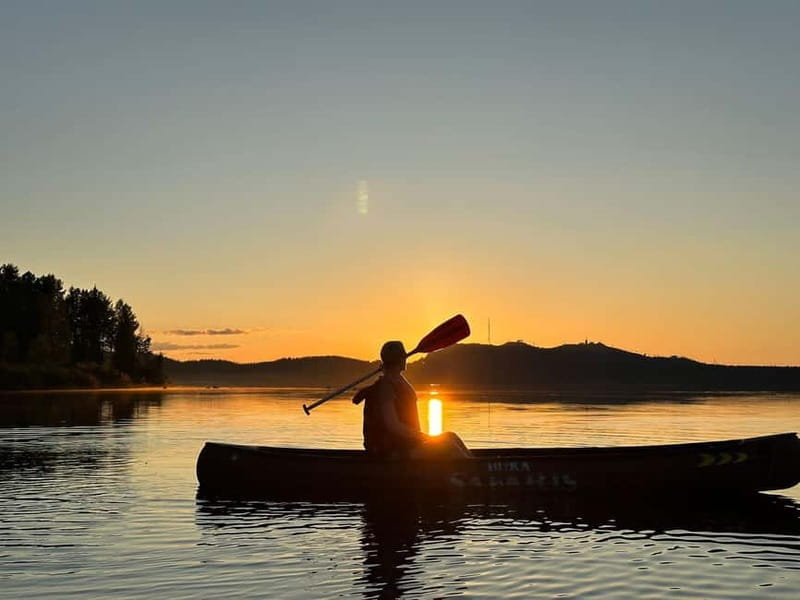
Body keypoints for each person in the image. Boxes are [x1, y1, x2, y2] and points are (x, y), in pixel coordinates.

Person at [353, 340, 471, 459]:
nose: (406, 358)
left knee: (451, 436)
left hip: (405, 446)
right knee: (448, 446)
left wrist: (391, 370)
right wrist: (422, 436)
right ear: (400, 359)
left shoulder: (395, 381)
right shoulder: (386, 388)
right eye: (404, 355)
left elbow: (410, 395)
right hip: (392, 452)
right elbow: (393, 425)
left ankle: (474, 465)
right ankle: (476, 471)